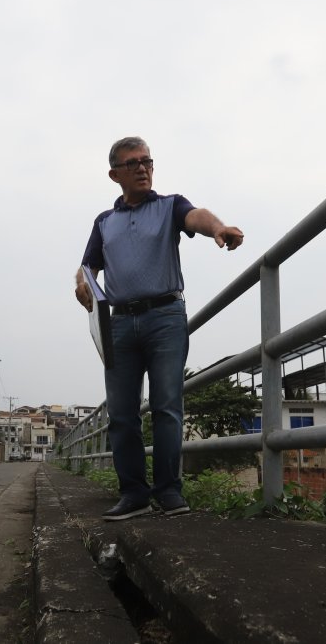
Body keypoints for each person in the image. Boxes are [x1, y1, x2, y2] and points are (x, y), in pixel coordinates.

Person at [75, 136, 244, 521]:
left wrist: (218, 227)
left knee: (167, 406)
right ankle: (133, 494)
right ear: (114, 173)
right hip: (118, 322)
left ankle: (169, 491)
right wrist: (83, 285)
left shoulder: (169, 206)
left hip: (165, 317)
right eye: (132, 163)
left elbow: (195, 216)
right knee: (122, 413)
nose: (142, 168)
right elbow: (88, 266)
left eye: (147, 161)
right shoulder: (104, 222)